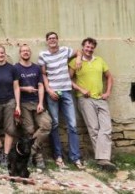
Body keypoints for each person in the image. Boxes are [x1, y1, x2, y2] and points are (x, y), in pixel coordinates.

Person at [69, 38, 117, 172]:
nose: (89, 49)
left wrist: (108, 92)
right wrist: (80, 89)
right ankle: (103, 160)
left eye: (91, 47)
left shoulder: (99, 60)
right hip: (85, 99)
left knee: (106, 128)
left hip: (100, 98)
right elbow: (67, 79)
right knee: (94, 128)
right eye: (87, 47)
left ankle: (103, 158)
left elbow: (109, 77)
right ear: (83, 47)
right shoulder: (75, 62)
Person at [38, 32, 84, 169]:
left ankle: (75, 157)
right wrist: (48, 90)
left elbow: (78, 51)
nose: (52, 40)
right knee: (55, 123)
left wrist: (78, 58)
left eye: (54, 38)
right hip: (52, 92)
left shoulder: (65, 50)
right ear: (47, 41)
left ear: (57, 40)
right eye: (49, 38)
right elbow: (43, 74)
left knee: (72, 125)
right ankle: (58, 156)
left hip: (66, 91)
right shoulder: (43, 55)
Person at [15, 44, 52, 170]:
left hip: (37, 103)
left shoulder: (36, 68)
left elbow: (41, 85)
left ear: (30, 53)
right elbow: (14, 87)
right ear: (20, 53)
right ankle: (38, 158)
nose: (25, 52)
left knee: (46, 125)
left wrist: (41, 103)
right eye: (23, 51)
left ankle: (32, 150)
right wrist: (25, 89)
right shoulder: (16, 68)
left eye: (27, 51)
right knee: (29, 131)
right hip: (23, 103)